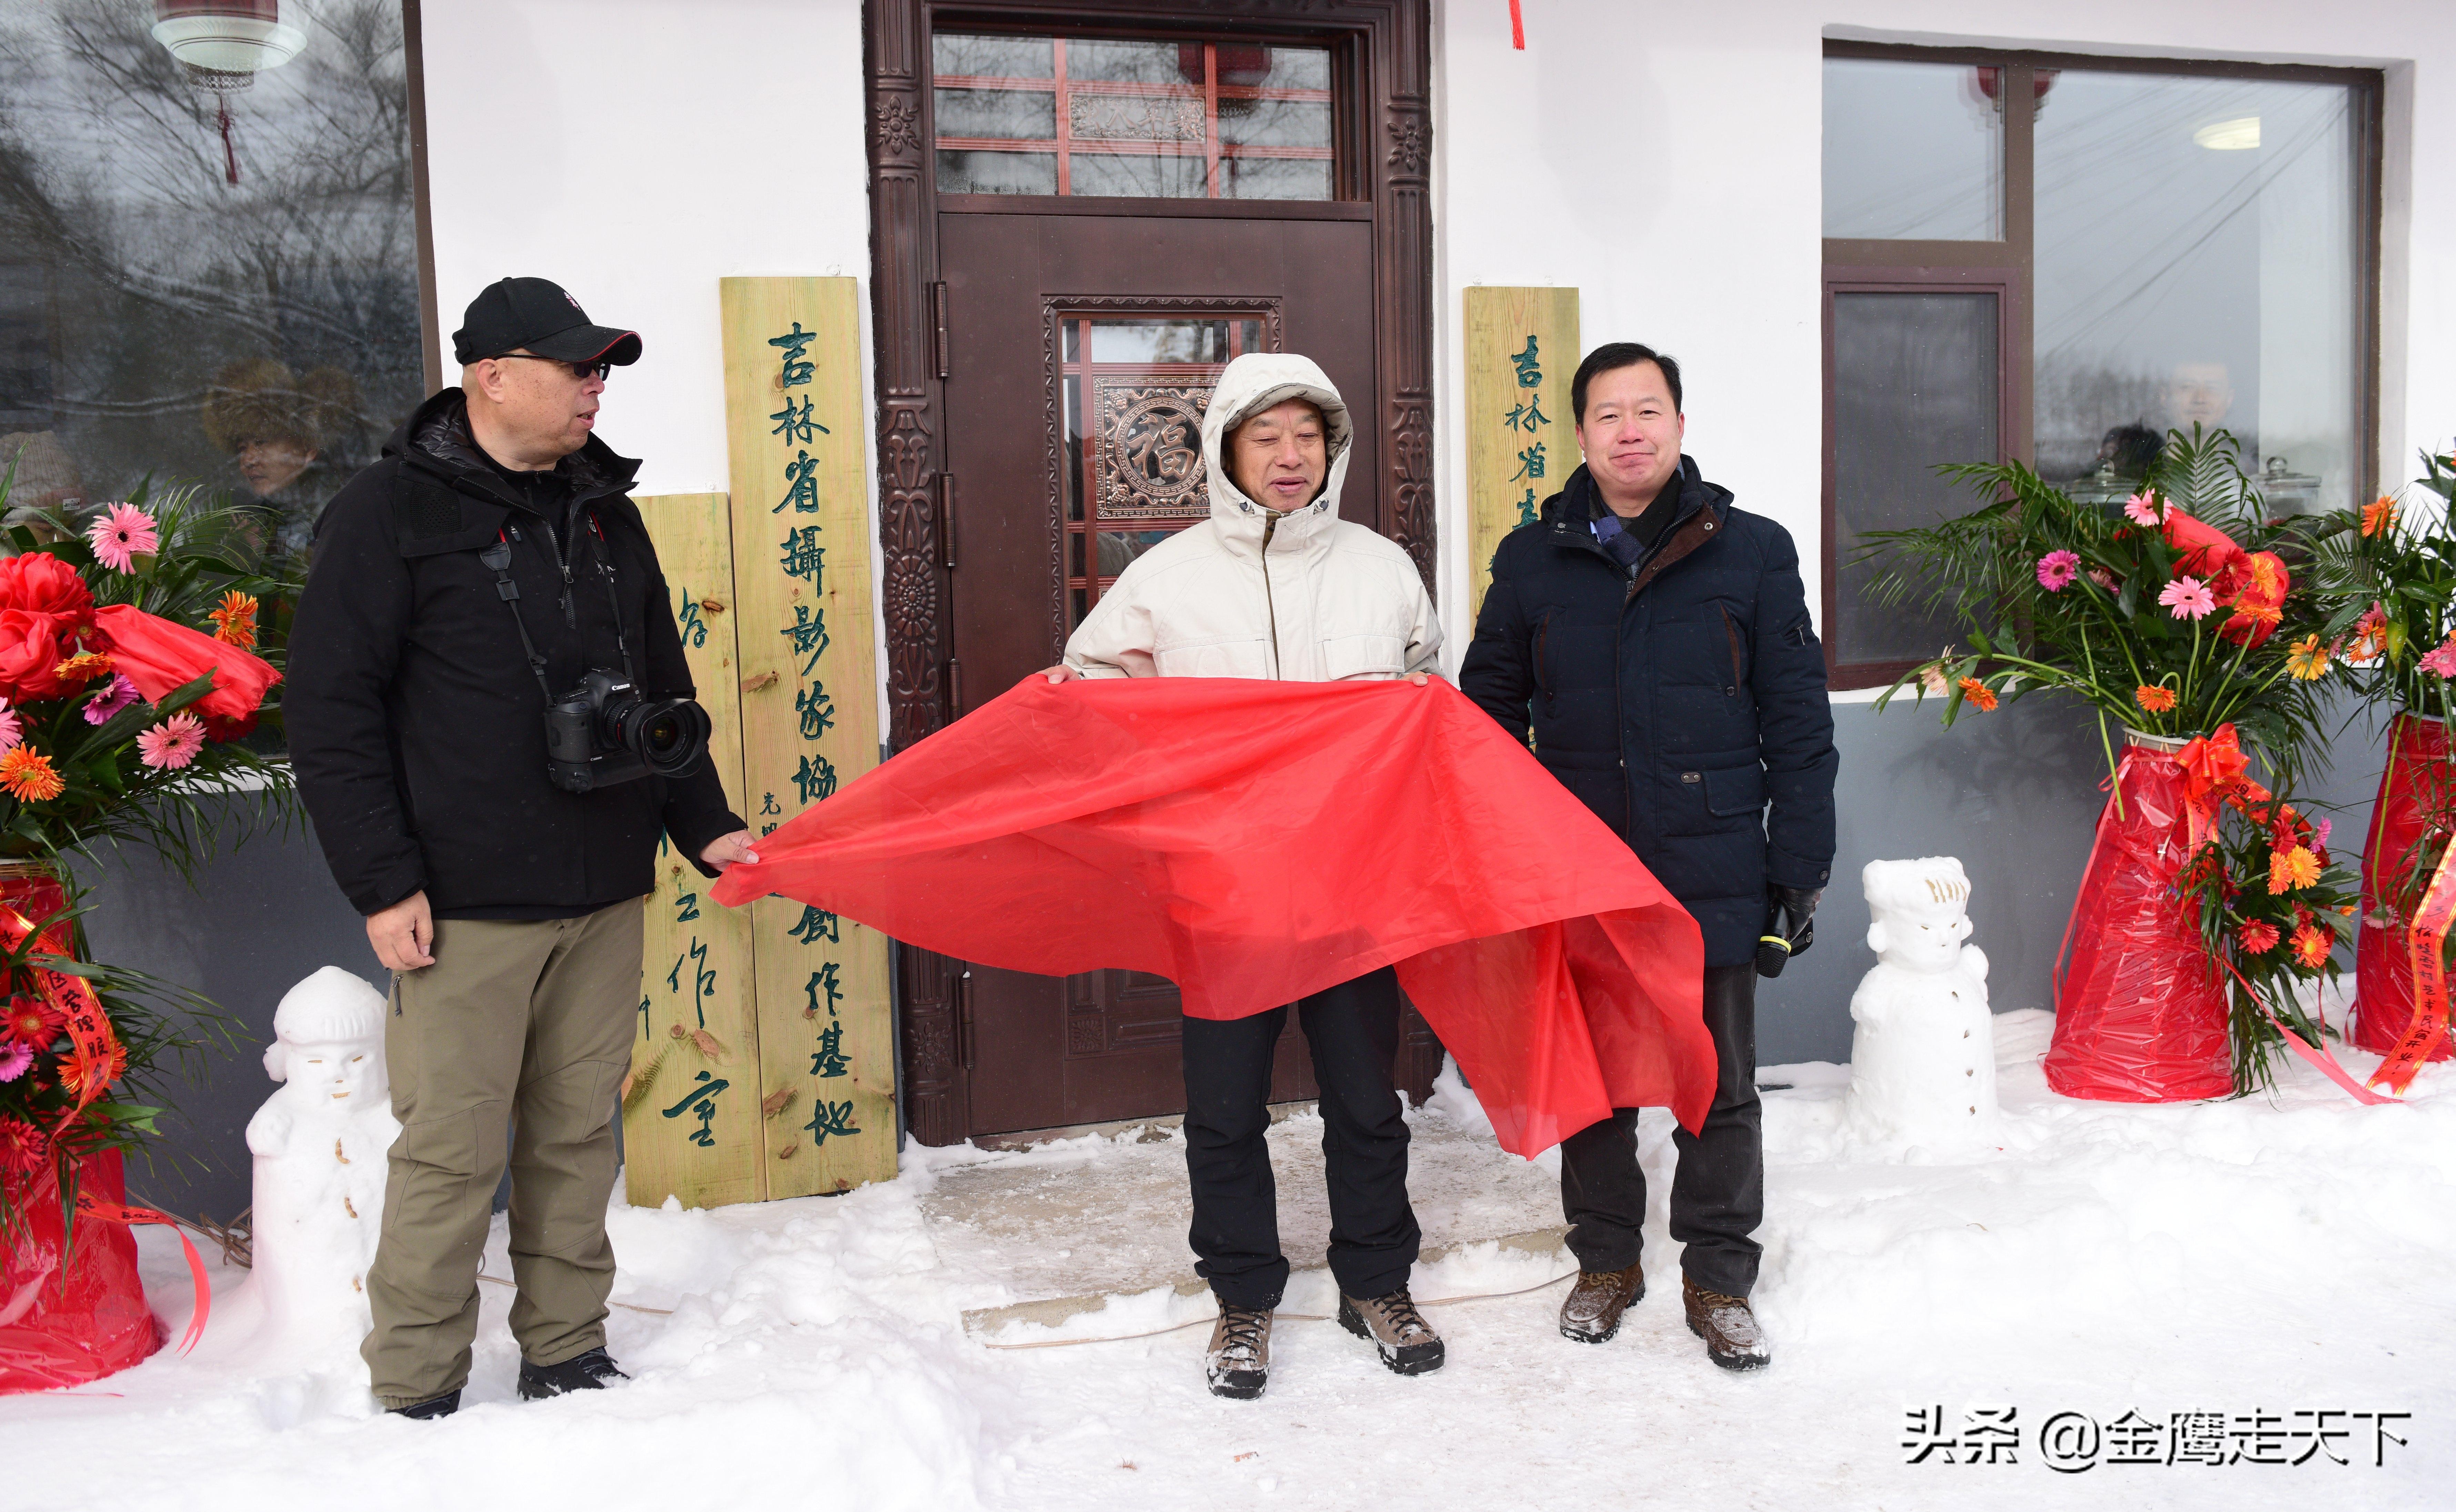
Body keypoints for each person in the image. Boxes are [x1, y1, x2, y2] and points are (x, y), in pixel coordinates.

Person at [287, 277, 755, 1418]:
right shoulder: (387, 511)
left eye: (603, 368)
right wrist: (381, 879)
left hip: (602, 889)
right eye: (576, 366)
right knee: (450, 1154)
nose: (596, 386)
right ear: (493, 374)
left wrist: (707, 825)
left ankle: (566, 1348)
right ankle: (414, 1383)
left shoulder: (607, 514)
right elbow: (330, 708)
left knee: (573, 1137)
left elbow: (663, 697)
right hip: (461, 903)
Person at [1047, 351, 1444, 1399]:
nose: (1288, 455)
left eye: (1306, 435)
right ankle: (1241, 1298)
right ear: (1225, 451)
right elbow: (1092, 691)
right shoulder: (1165, 578)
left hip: (1352, 889)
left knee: (1368, 1102)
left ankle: (1377, 1281)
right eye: (1265, 436)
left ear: (1333, 448)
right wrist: (1071, 701)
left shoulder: (1381, 568)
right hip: (1223, 892)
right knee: (1225, 1113)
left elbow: (1423, 704)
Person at [1459, 342, 1838, 1371]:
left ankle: (1718, 1278)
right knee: (1593, 1080)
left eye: (1649, 409)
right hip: (1579, 866)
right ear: (1579, 434)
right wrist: (1511, 842)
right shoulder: (1532, 560)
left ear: (1678, 425)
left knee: (1716, 1082)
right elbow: (1484, 712)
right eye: (1608, 413)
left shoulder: (1752, 551)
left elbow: (1797, 723)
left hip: (1710, 861)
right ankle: (1608, 1261)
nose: (1630, 429)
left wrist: (1796, 867)